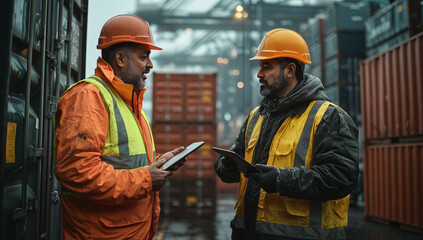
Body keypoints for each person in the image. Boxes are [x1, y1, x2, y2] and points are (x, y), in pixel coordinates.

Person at [214, 28, 359, 240]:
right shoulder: (256, 117)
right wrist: (227, 163)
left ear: (290, 70)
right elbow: (228, 174)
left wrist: (280, 179)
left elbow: (340, 178)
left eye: (267, 66)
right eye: (260, 66)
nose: (259, 74)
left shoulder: (328, 117)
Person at [54, 14, 185, 240]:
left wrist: (161, 163)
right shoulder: (89, 97)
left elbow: (124, 161)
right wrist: (146, 178)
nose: (150, 65)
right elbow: (77, 172)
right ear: (120, 59)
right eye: (144, 56)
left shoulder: (128, 102)